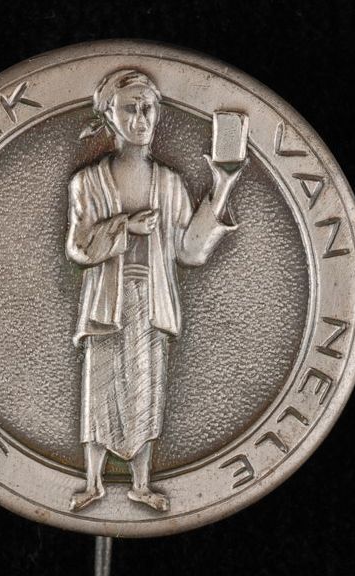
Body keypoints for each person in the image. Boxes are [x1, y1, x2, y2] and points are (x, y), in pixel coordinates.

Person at [65, 69, 244, 512]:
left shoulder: (169, 183)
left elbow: (189, 252)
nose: (141, 118)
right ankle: (93, 482)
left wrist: (222, 187)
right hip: (107, 303)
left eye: (148, 108)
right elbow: (79, 247)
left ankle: (141, 483)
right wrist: (124, 225)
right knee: (100, 392)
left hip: (151, 302)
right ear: (110, 114)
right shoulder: (87, 182)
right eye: (130, 108)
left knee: (145, 390)